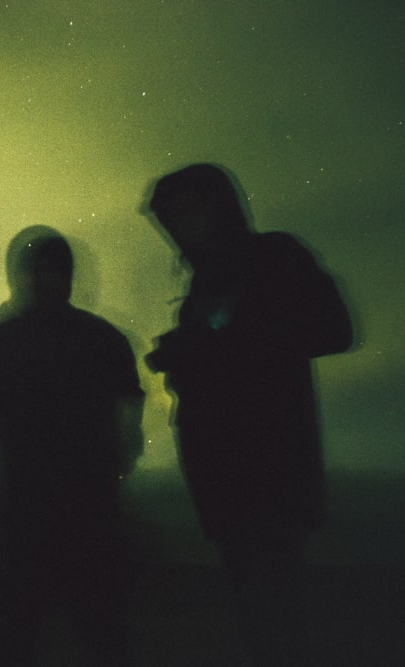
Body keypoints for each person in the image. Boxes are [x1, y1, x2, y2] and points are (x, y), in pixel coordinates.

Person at [144, 163, 353, 665]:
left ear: (213, 209)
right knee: (264, 614)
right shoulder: (215, 281)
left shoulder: (273, 257)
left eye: (182, 216)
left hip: (266, 473)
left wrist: (211, 350)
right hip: (233, 479)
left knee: (272, 614)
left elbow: (334, 330)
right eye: (171, 221)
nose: (177, 231)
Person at [0, 228, 144, 666]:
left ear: (16, 275)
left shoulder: (0, 339)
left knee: (19, 633)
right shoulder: (105, 338)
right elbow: (130, 419)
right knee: (102, 633)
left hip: (21, 509)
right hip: (92, 510)